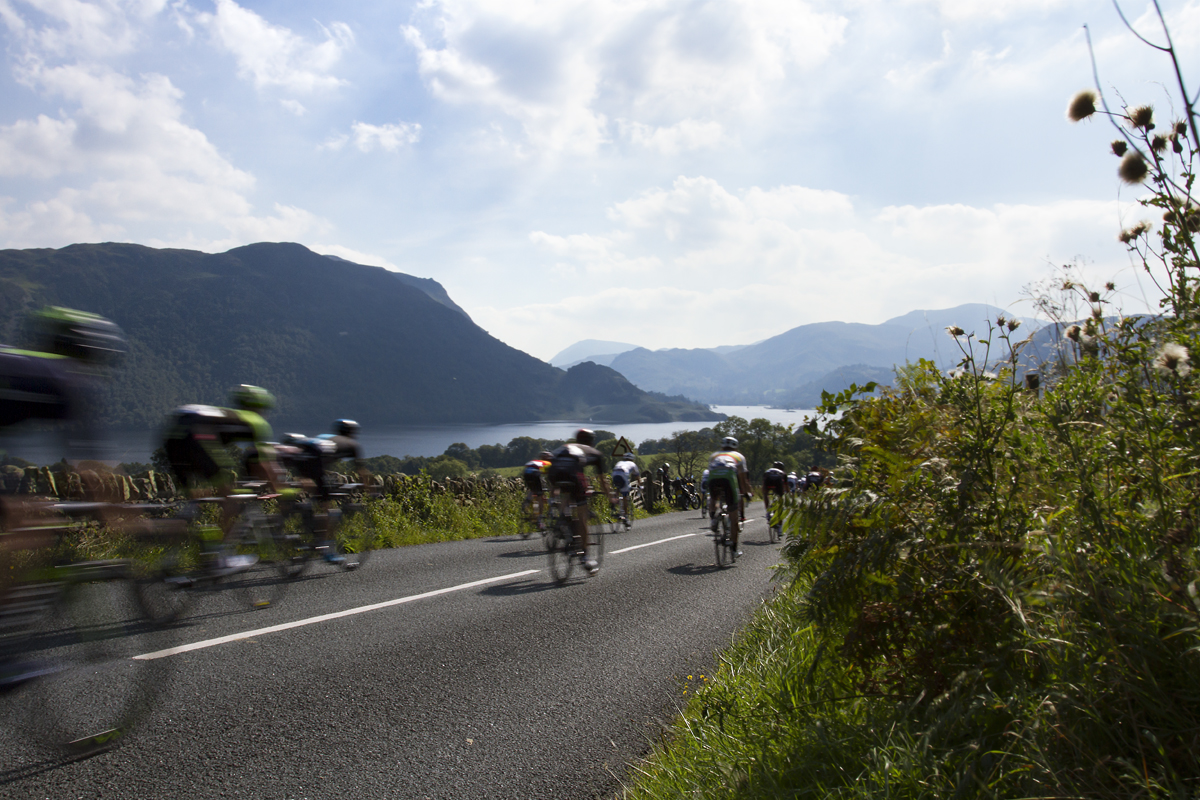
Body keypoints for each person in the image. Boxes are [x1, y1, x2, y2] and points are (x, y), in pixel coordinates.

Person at [162, 384, 287, 571]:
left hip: (173, 438)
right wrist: (281, 491)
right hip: (198, 438)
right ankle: (222, 556)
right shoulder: (256, 421)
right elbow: (263, 463)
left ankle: (168, 554)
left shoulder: (228, 415)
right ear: (260, 407)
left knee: (195, 498)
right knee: (231, 498)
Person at [278, 419, 368, 563]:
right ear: (352, 433)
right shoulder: (352, 444)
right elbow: (361, 471)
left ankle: (304, 516)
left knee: (315, 494)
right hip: (315, 460)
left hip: (301, 456)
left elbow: (319, 458)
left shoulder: (327, 437)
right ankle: (327, 550)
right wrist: (370, 490)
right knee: (328, 508)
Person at [546, 428, 613, 575]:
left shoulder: (567, 446)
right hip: (572, 473)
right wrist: (611, 498)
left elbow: (551, 459)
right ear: (591, 442)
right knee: (582, 515)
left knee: (566, 493)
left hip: (554, 469)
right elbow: (602, 481)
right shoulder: (594, 453)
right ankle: (585, 557)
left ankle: (562, 521)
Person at [706, 436, 752, 555]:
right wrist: (746, 493)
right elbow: (743, 479)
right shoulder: (739, 457)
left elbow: (710, 472)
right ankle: (734, 549)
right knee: (733, 516)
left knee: (714, 497)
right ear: (735, 447)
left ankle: (712, 519)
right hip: (728, 479)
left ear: (722, 445)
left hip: (713, 479)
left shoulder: (714, 455)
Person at [521, 451, 553, 532]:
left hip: (526, 473)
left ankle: (527, 500)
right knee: (540, 498)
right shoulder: (549, 464)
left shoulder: (537, 461)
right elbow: (551, 480)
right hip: (534, 473)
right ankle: (539, 520)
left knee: (534, 490)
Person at [611, 451, 640, 529]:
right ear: (632, 459)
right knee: (625, 496)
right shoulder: (633, 464)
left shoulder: (620, 462)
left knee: (617, 488)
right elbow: (637, 477)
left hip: (614, 474)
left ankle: (613, 506)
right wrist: (640, 486)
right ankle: (626, 517)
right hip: (623, 475)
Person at [763, 460, 787, 528]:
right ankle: (780, 529)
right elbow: (786, 486)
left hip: (768, 480)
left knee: (765, 494)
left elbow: (763, 483)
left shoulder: (768, 471)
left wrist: (764, 492)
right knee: (780, 501)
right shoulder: (783, 473)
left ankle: (767, 510)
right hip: (778, 483)